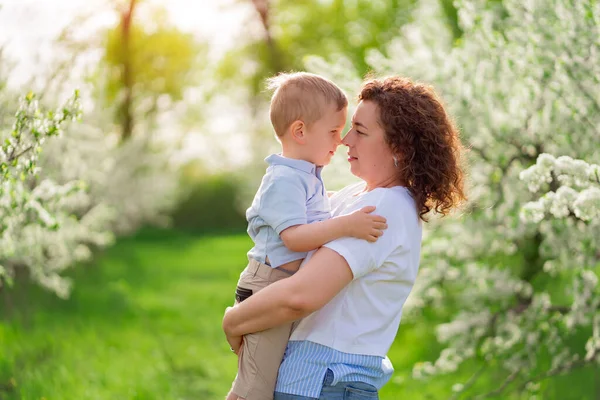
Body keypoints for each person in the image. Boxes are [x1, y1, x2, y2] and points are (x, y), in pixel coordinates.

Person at [223, 76, 466, 399]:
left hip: (323, 383)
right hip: (318, 381)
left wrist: (234, 320)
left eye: (360, 131)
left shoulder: (384, 207)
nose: (345, 140)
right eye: (346, 128)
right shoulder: (355, 197)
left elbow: (300, 296)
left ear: (400, 147)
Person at [226, 72, 389, 400]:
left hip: (283, 282)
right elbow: (295, 238)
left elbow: (312, 216)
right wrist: (346, 225)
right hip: (268, 284)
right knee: (256, 387)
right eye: (333, 131)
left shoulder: (305, 177)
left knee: (269, 378)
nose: (341, 141)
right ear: (300, 131)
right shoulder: (285, 179)